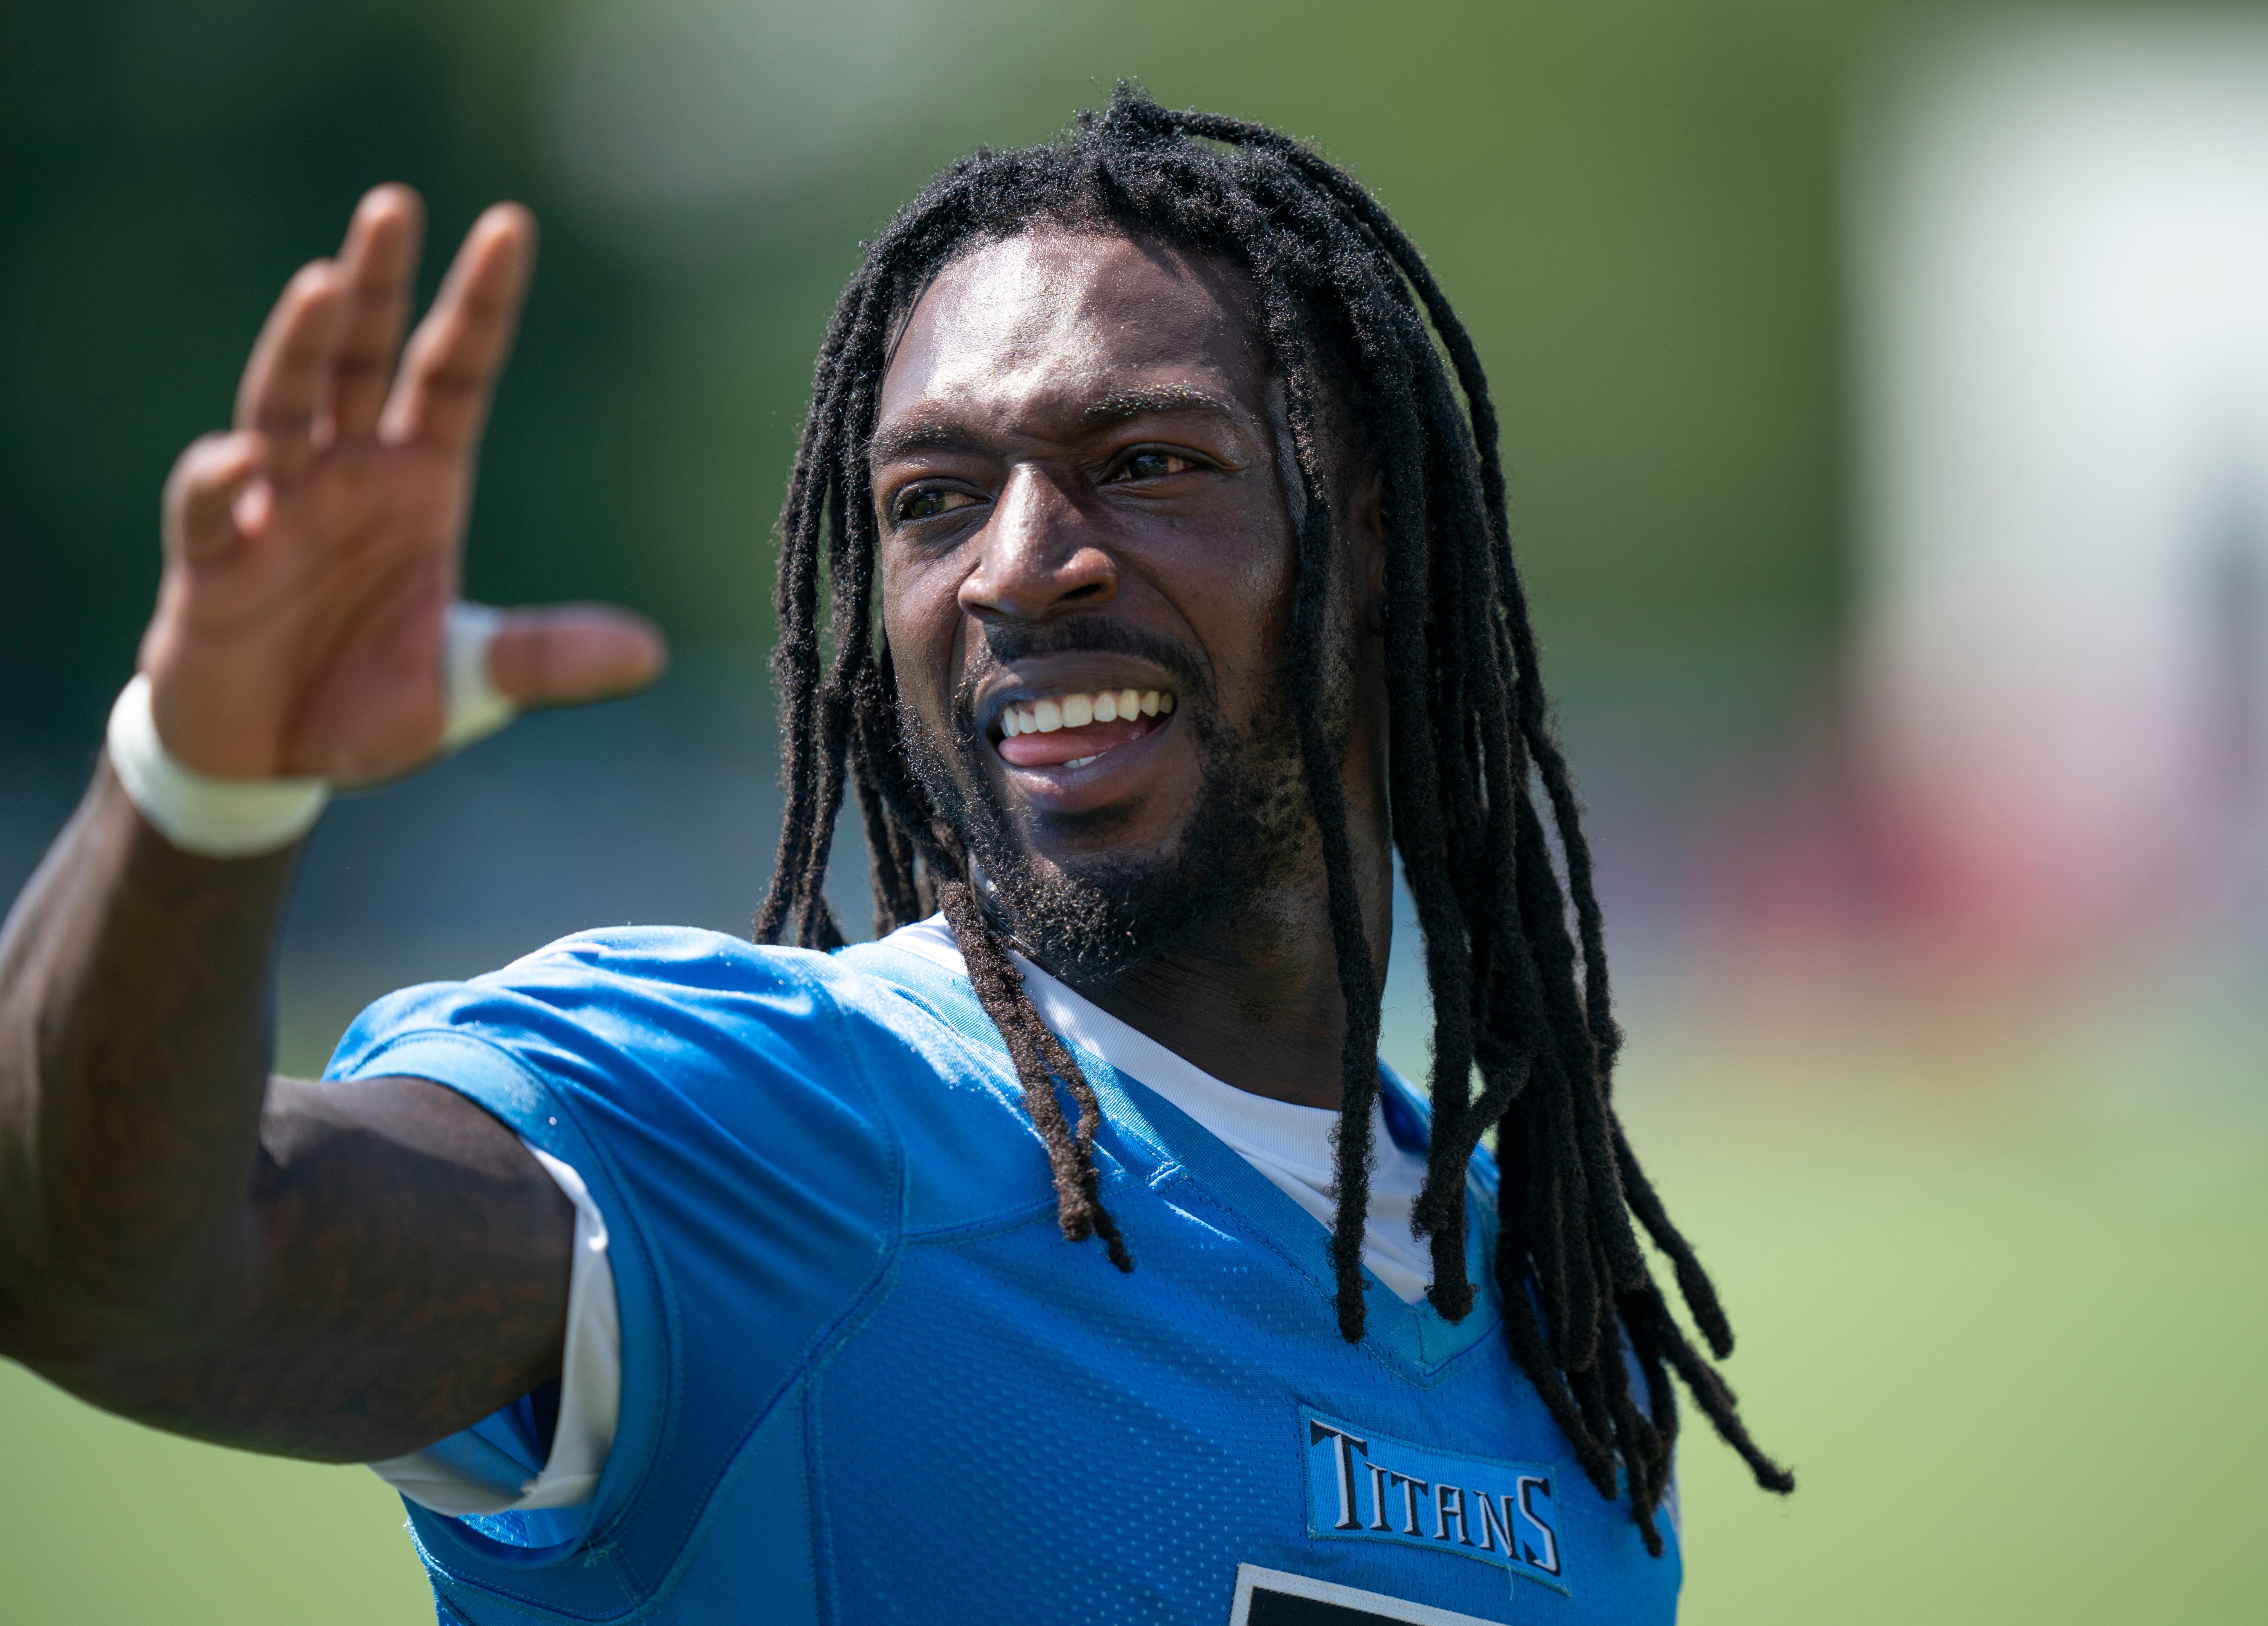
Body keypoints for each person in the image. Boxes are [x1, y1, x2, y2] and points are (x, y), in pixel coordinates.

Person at [0, 92, 1789, 1625]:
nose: (1016, 567)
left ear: (1374, 539)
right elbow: (105, 1261)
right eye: (933, 499)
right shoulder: (765, 1136)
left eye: (1147, 461)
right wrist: (198, 785)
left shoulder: (1569, 1357)